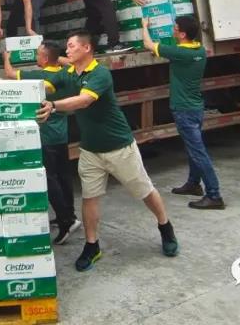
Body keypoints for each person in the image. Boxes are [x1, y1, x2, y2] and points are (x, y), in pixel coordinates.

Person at [37, 30, 178, 272]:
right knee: (90, 197)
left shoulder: (100, 74)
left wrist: (54, 106)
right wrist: (10, 87)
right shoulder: (69, 73)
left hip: (118, 147)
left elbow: (84, 100)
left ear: (86, 48)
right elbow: (46, 84)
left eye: (71, 46)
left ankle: (165, 227)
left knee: (144, 191)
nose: (66, 50)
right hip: (91, 151)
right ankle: (92, 246)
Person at [142, 16, 225, 209]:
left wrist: (144, 26)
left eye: (175, 28)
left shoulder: (180, 53)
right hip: (196, 107)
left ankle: (214, 195)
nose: (173, 29)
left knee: (198, 152)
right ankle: (193, 184)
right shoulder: (200, 50)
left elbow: (148, 44)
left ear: (182, 34)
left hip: (184, 109)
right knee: (193, 148)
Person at [3, 41, 81, 244]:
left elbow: (10, 73)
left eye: (38, 54)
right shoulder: (66, 73)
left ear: (45, 59)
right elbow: (67, 62)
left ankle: (66, 221)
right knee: (64, 176)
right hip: (61, 135)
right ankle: (70, 214)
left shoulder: (39, 76)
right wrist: (56, 56)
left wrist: (6, 57)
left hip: (46, 136)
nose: (36, 57)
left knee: (49, 179)